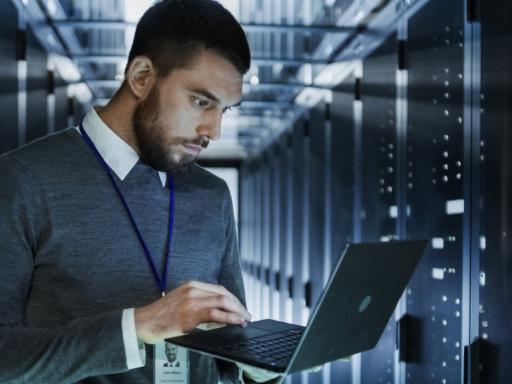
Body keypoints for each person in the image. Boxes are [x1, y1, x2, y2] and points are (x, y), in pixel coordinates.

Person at [0, 0, 279, 383]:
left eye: (224, 110)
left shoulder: (212, 195)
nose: (213, 130)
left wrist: (261, 365)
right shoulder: (22, 180)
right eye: (201, 101)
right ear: (142, 76)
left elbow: (228, 351)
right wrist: (137, 327)